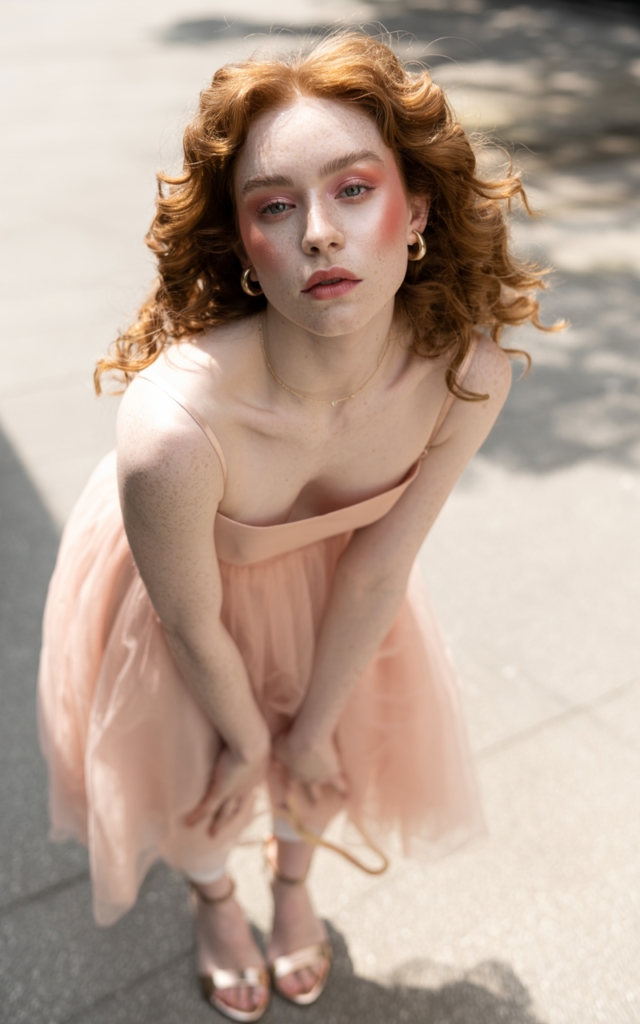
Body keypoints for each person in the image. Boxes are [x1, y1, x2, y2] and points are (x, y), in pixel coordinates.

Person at [38, 32, 552, 1023]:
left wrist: (308, 731)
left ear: (416, 213)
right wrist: (246, 741)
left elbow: (379, 569)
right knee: (197, 769)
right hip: (184, 594)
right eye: (275, 206)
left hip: (345, 582)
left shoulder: (466, 374)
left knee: (326, 749)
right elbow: (190, 627)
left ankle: (291, 884)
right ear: (243, 244)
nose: (319, 233)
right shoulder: (171, 431)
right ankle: (216, 899)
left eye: (354, 189)